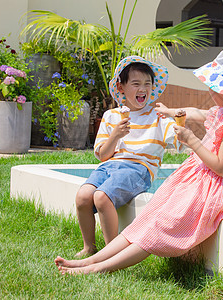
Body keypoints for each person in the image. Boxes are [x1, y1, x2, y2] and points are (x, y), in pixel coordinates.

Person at [55, 49, 223, 273]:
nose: (209, 89)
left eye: (213, 84)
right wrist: (171, 111)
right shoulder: (222, 112)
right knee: (147, 219)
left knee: (157, 227)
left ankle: (97, 268)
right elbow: (193, 112)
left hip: (211, 192)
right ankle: (91, 260)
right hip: (196, 184)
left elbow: (221, 167)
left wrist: (191, 139)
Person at [74, 56, 181, 257]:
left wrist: (179, 123)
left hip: (139, 169)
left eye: (147, 84)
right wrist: (115, 135)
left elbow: (177, 141)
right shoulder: (111, 116)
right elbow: (103, 156)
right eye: (136, 84)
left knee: (102, 197)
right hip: (110, 166)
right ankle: (89, 247)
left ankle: (110, 254)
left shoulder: (157, 116)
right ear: (121, 87)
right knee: (83, 197)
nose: (143, 89)